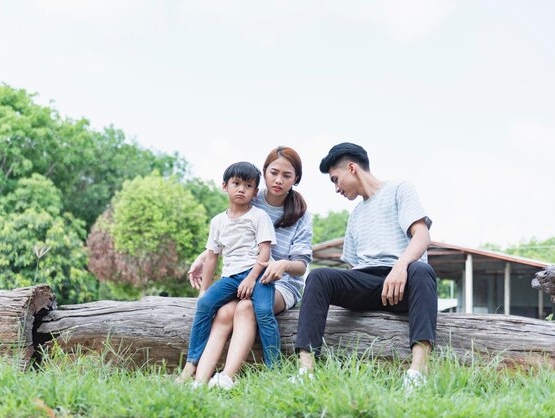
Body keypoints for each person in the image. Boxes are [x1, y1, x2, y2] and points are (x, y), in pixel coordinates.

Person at [293, 142, 437, 390]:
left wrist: (400, 266)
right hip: (368, 282)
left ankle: (417, 371)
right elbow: (353, 268)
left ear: (352, 168)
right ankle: (305, 371)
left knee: (423, 270)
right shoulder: (356, 214)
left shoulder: (399, 189)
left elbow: (422, 236)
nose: (336, 188)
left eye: (336, 180)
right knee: (319, 277)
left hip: (404, 281)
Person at [185, 146, 313, 388]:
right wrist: (204, 256)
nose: (278, 180)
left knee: (246, 308)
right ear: (264, 173)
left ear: (296, 179)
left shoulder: (301, 214)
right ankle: (198, 377)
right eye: (274, 172)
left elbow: (301, 266)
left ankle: (227, 377)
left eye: (287, 176)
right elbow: (232, 232)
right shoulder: (250, 196)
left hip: (281, 284)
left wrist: (283, 265)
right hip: (244, 276)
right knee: (223, 313)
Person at [179, 161, 279, 388]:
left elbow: (265, 252)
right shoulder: (218, 221)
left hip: (258, 273)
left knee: (263, 311)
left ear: (255, 192)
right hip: (230, 277)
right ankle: (192, 364)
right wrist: (205, 290)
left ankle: (275, 369)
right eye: (236, 183)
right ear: (225, 186)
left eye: (248, 185)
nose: (241, 189)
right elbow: (212, 256)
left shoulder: (258, 216)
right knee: (204, 305)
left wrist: (252, 278)